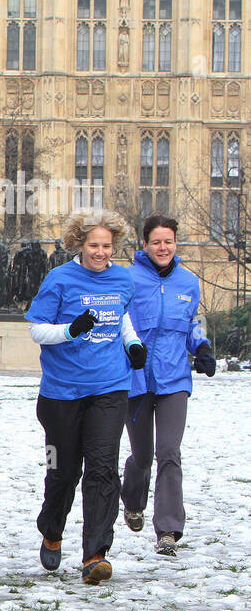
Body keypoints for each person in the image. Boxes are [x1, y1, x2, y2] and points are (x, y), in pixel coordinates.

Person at [27, 209, 146, 584]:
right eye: (94, 245)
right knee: (62, 472)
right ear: (79, 244)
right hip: (62, 392)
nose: (101, 252)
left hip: (110, 388)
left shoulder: (122, 280)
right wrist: (70, 331)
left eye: (107, 246)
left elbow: (122, 318)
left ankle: (95, 554)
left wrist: (133, 343)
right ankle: (51, 529)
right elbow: (37, 331)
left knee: (102, 469)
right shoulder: (60, 279)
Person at [121, 215, 217, 557]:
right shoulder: (127, 280)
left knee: (170, 453)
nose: (163, 247)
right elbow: (117, 326)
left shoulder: (189, 283)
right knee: (143, 456)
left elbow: (193, 324)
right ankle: (132, 500)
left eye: (169, 241)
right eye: (156, 241)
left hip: (175, 378)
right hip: (136, 380)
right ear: (144, 244)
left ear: (176, 244)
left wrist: (202, 348)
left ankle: (168, 531)